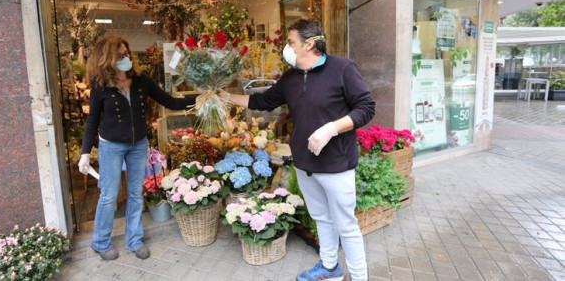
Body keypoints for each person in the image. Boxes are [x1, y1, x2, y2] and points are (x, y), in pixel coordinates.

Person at [220, 19, 375, 281]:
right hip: (305, 164)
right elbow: (263, 101)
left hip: (336, 164)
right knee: (321, 218)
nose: (286, 47)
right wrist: (223, 96)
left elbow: (366, 108)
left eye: (290, 42)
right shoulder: (291, 78)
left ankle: (360, 277)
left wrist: (330, 129)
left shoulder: (342, 68)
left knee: (346, 225)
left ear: (309, 44)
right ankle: (329, 269)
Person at [78, 36, 197, 261]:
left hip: (138, 144)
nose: (126, 59)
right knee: (109, 194)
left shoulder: (141, 80)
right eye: (121, 56)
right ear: (108, 59)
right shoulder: (100, 86)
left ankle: (134, 239)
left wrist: (200, 99)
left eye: (127, 54)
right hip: (110, 145)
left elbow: (169, 101)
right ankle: (100, 242)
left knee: (134, 193)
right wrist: (85, 154)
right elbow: (92, 121)